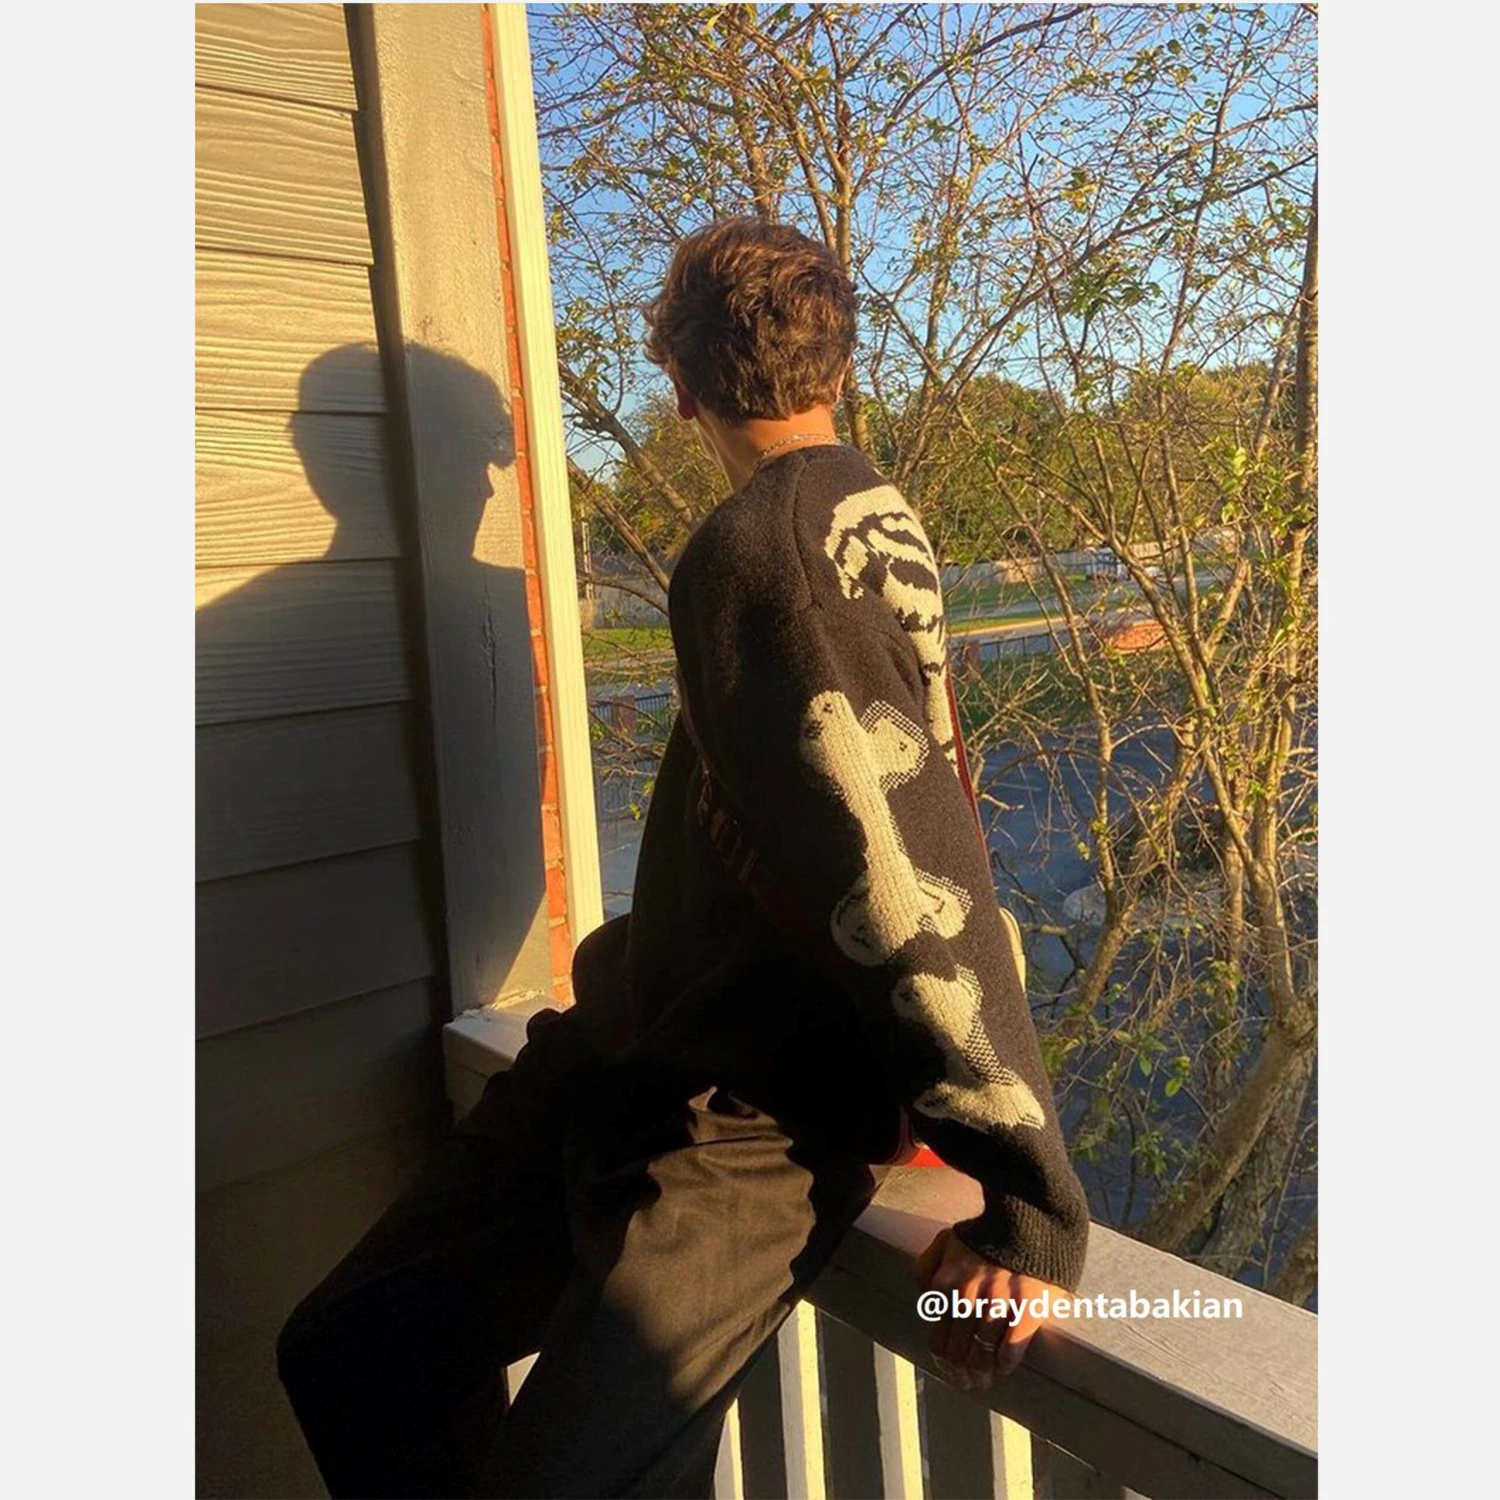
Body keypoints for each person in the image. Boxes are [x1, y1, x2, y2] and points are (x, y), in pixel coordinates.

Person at [277, 216, 1089, 1499]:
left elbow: (908, 873)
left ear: (677, 385)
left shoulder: (773, 554)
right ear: (840, 362)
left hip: (746, 1129)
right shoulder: (844, 520)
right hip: (636, 1046)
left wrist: (1029, 1202)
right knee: (351, 1346)